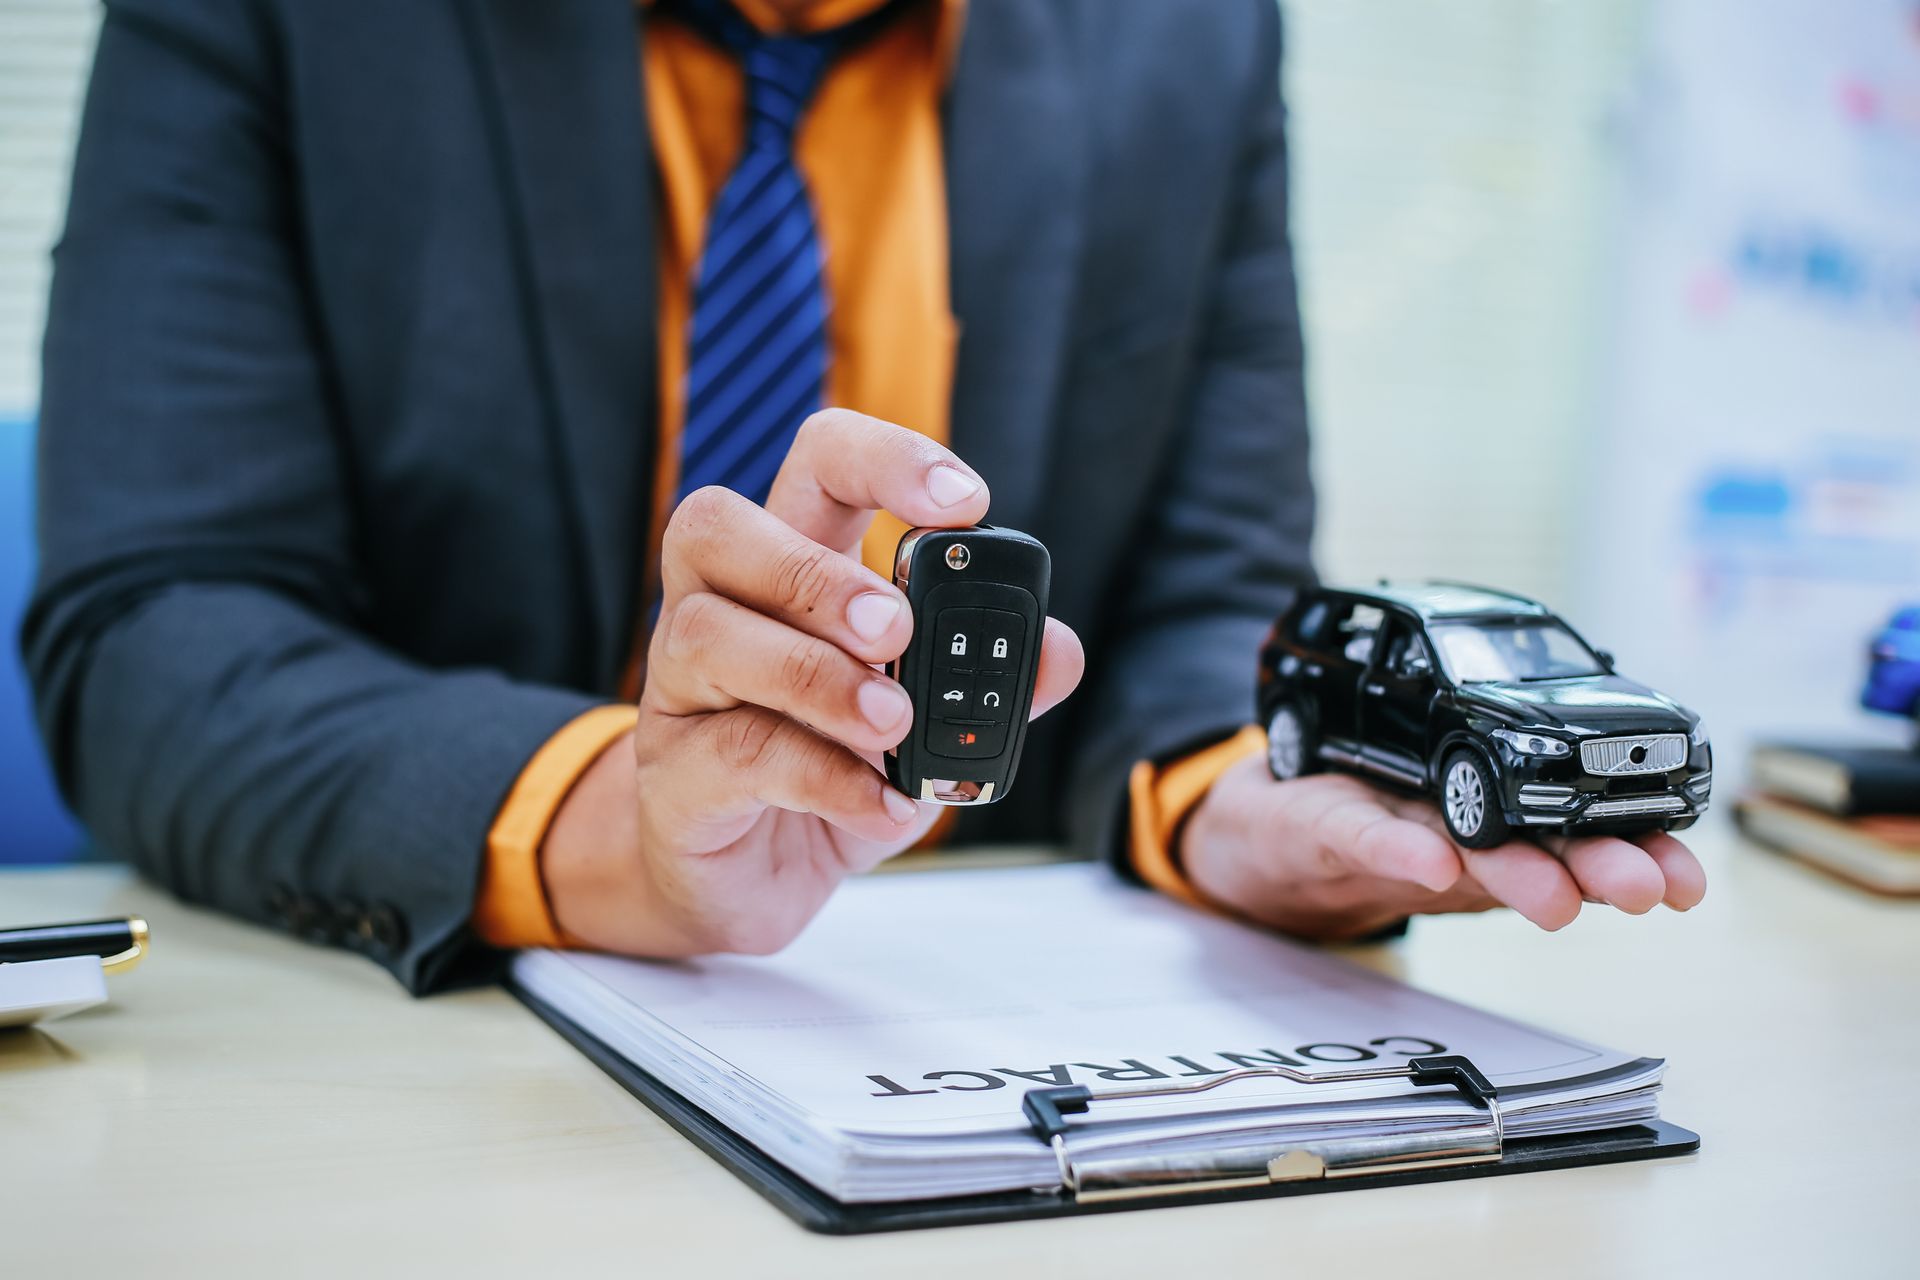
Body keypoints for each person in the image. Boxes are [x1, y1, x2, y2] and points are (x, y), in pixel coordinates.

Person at [23, 0, 1705, 994]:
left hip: (997, 1035)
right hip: (452, 1037)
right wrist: (620, 827)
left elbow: (1201, 591)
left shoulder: (1189, 29)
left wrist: (1228, 812)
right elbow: (160, 624)